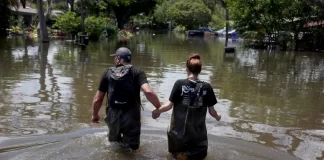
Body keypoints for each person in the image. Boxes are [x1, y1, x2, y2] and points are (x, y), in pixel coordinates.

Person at [152, 53, 221, 160]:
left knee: (178, 157)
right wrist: (218, 116)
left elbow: (169, 106)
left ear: (186, 69)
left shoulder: (179, 84)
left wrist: (157, 111)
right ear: (200, 70)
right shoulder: (207, 87)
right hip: (197, 136)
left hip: (179, 135)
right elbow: (212, 112)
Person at [92, 47, 161, 151]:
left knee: (113, 146)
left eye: (115, 57)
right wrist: (158, 108)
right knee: (132, 149)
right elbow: (148, 92)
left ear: (118, 58)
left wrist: (95, 114)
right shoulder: (137, 72)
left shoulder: (108, 72)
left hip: (113, 113)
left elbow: (98, 99)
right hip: (132, 115)